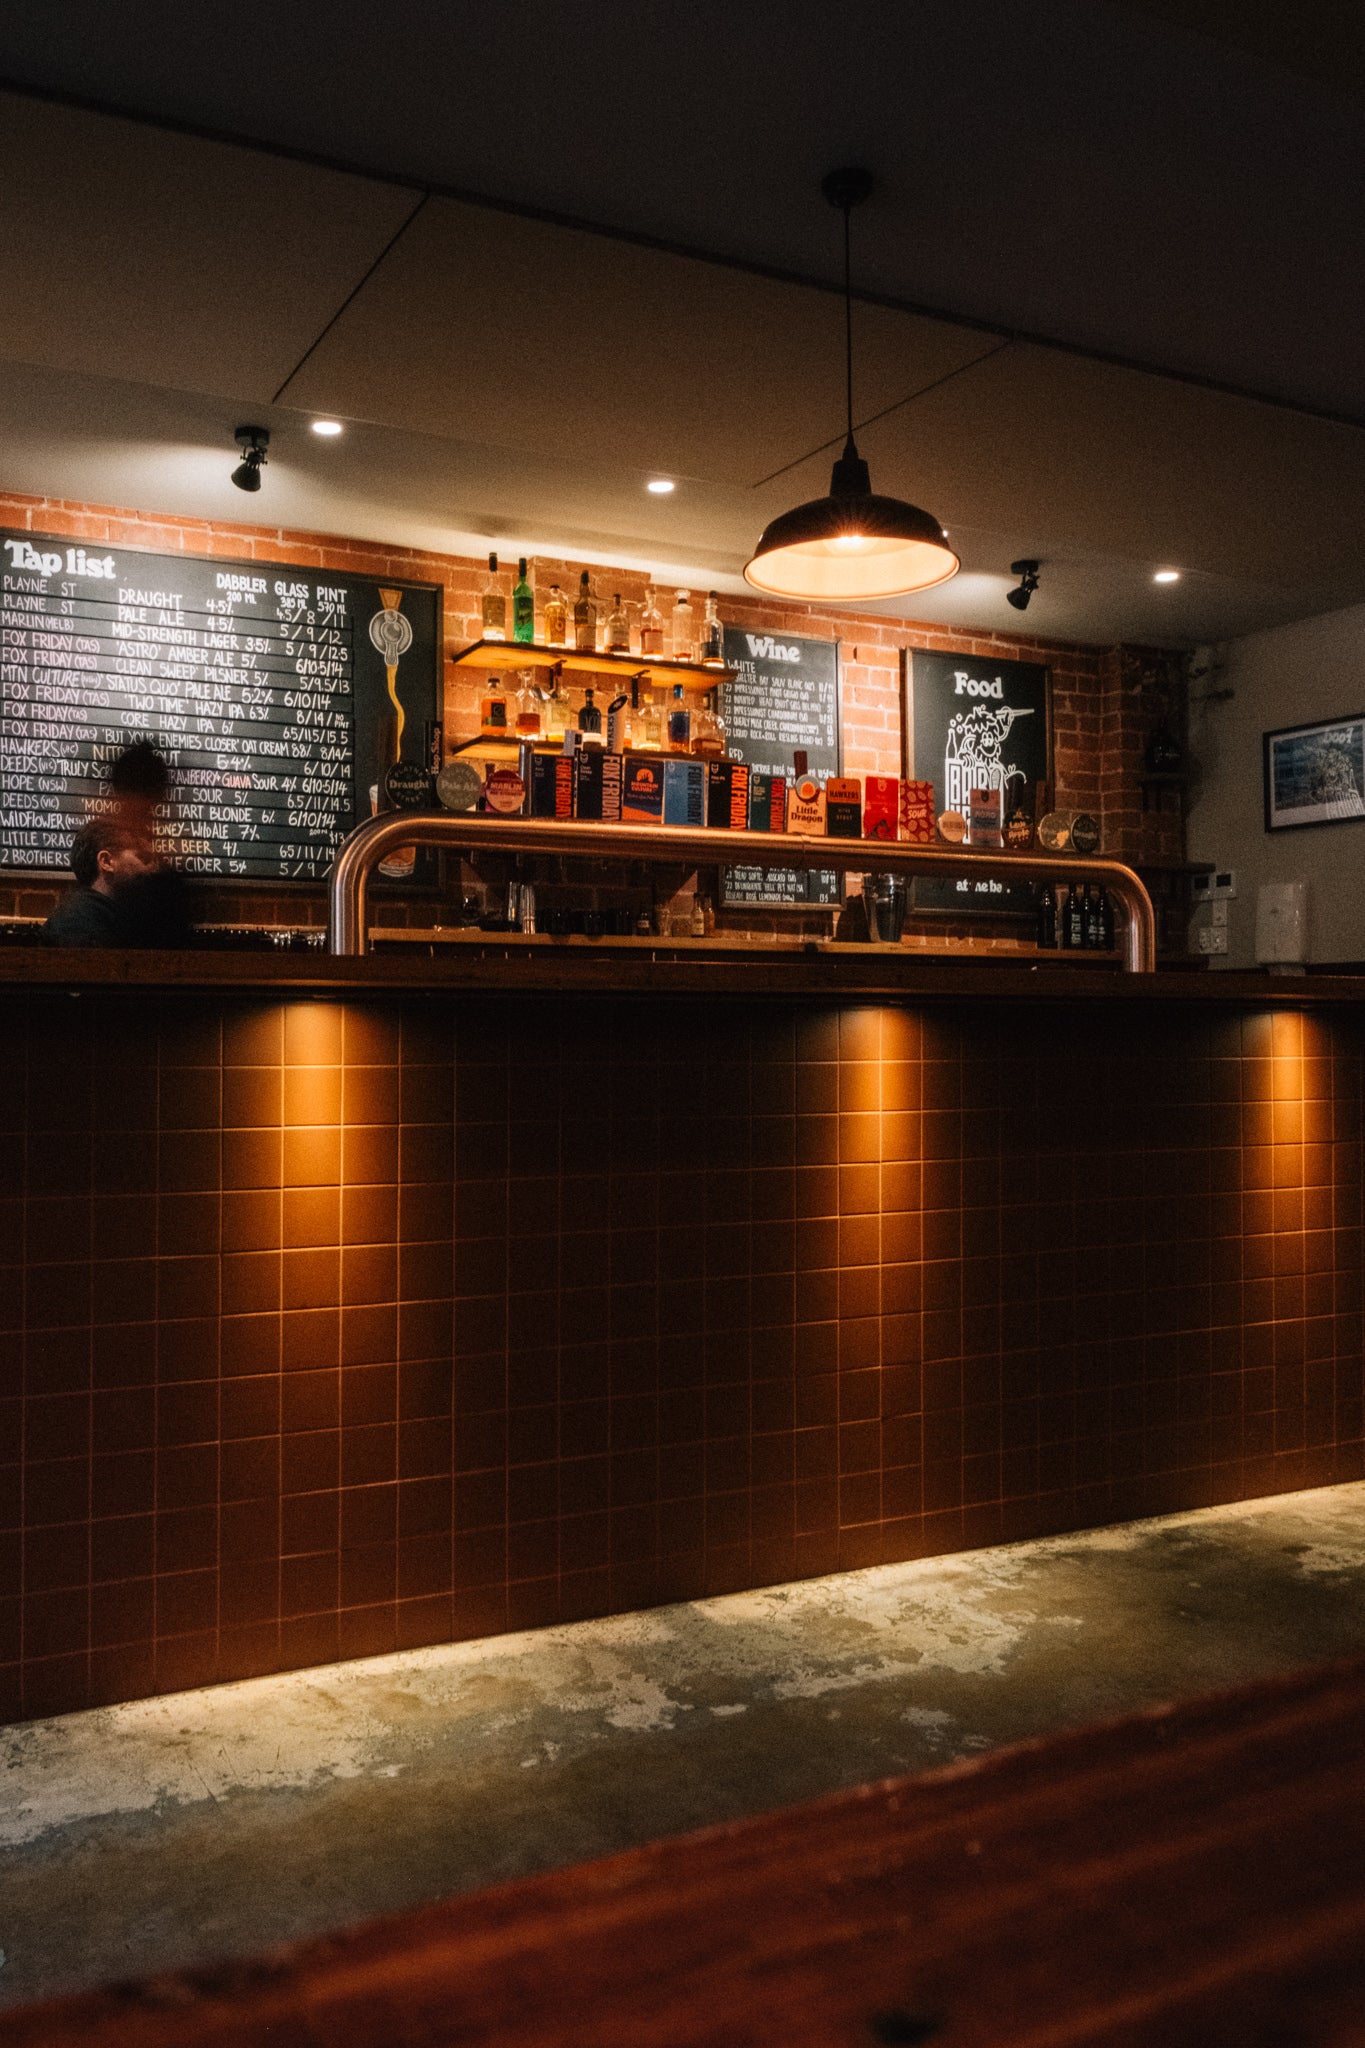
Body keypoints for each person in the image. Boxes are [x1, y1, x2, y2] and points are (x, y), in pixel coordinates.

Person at [42, 741, 197, 948]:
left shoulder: (89, 912)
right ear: (106, 862)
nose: (153, 864)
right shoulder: (83, 923)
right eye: (143, 858)